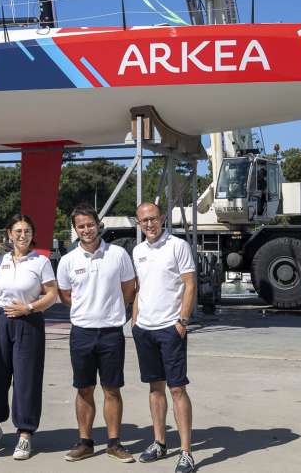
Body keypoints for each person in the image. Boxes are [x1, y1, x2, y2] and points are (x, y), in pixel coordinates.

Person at [56, 204, 137, 463]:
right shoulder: (68, 261)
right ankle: (85, 442)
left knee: (112, 389)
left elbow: (128, 289)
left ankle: (114, 443)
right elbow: (66, 296)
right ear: (75, 229)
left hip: (111, 332)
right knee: (84, 389)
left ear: (98, 224)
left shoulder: (118, 255)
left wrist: (111, 311)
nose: (86, 230)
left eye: (90, 224)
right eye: (81, 226)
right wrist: (87, 310)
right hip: (81, 333)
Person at [0, 215, 59, 460]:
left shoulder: (41, 261)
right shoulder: (1, 260)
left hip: (29, 321)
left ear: (32, 234)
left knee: (26, 378)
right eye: (18, 231)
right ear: (9, 234)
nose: (22, 235)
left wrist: (29, 308)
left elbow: (52, 294)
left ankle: (25, 434)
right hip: (2, 320)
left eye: (27, 231)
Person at [130, 202, 198, 473]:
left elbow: (190, 283)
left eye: (153, 219)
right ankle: (159, 442)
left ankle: (186, 452)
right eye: (144, 220)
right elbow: (138, 288)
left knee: (177, 388)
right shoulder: (137, 251)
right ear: (139, 223)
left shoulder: (177, 246)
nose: (149, 224)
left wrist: (182, 321)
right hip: (144, 330)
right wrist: (135, 321)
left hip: (171, 328)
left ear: (162, 219)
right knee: (155, 388)